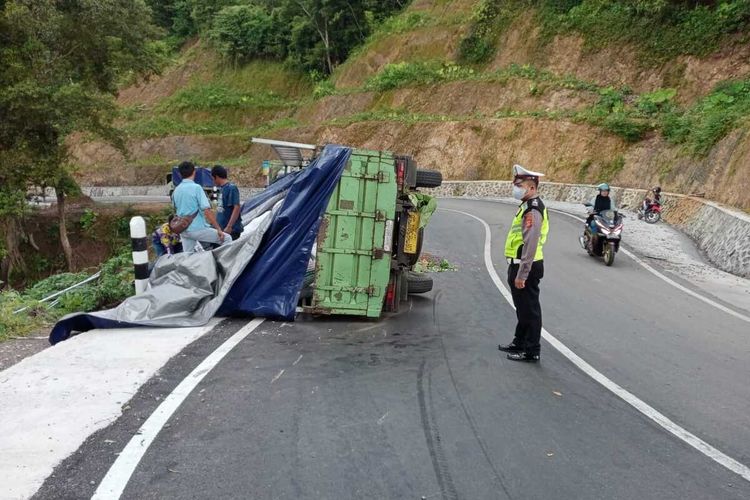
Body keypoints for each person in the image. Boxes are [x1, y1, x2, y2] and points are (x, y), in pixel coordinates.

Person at [498, 164, 549, 362]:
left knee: (530, 310)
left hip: (526, 265)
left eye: (519, 185)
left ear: (532, 188)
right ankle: (519, 341)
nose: (516, 188)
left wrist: (522, 274)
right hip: (518, 264)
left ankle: (531, 350)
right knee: (521, 307)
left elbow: (530, 244)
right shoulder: (526, 206)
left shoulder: (533, 210)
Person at [172, 161, 232, 253]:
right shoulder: (196, 188)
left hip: (183, 230)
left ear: (180, 174)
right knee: (227, 238)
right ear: (194, 172)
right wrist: (218, 229)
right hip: (197, 228)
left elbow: (176, 210)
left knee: (188, 256)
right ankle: (224, 264)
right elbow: (207, 211)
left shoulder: (176, 190)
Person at [211, 165, 244, 240]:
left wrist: (229, 226)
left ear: (216, 176)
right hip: (221, 229)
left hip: (230, 230)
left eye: (213, 178)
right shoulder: (220, 189)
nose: (212, 180)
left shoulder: (231, 188)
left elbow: (237, 207)